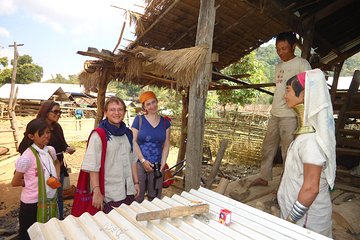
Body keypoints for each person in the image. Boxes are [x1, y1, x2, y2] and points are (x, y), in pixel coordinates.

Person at [277, 69, 335, 237]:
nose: (285, 96)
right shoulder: (306, 137)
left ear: (303, 95)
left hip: (306, 223)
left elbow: (310, 189)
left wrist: (290, 220)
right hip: (300, 219)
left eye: (288, 90)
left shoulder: (311, 141)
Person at [251, 32, 312, 186]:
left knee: (288, 151)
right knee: (268, 147)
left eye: (284, 48)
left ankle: (287, 182)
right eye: (278, 49)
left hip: (291, 115)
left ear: (293, 47)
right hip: (275, 113)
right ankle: (264, 177)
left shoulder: (302, 64)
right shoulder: (278, 66)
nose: (281, 52)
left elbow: (309, 88)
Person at [80, 96, 140, 213]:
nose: (116, 113)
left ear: (124, 112)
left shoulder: (128, 134)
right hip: (109, 194)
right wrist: (97, 191)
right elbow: (93, 166)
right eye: (112, 109)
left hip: (128, 191)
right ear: (105, 112)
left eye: (120, 109)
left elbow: (132, 160)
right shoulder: (99, 135)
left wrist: (136, 183)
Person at [12, 119, 61, 240]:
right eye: (42, 133)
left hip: (49, 199)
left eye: (48, 132)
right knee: (29, 234)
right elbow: (15, 182)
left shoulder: (50, 150)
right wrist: (28, 182)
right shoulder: (27, 157)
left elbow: (57, 163)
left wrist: (56, 176)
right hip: (32, 204)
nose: (47, 136)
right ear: (31, 136)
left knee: (46, 231)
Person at [35, 101, 75, 220]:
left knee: (58, 196)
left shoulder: (57, 127)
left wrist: (67, 148)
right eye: (55, 111)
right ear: (46, 111)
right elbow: (25, 146)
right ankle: (44, 221)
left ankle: (58, 220)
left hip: (59, 168)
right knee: (45, 195)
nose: (58, 114)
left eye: (60, 112)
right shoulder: (37, 127)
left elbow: (62, 144)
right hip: (44, 169)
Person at [131, 91, 171, 202]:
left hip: (158, 165)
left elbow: (166, 143)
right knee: (137, 197)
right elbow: (133, 141)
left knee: (155, 198)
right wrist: (143, 160)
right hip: (140, 163)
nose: (152, 106)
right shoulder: (138, 120)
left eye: (153, 102)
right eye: (148, 104)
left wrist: (163, 162)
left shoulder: (165, 122)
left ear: (157, 102)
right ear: (144, 107)